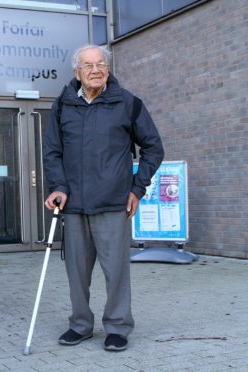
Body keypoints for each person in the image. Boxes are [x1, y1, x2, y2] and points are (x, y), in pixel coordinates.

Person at [42, 45, 164, 352]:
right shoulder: (62, 106)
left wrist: (137, 189)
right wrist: (57, 186)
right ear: (77, 72)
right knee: (77, 273)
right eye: (88, 65)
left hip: (113, 203)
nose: (95, 70)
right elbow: (52, 151)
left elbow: (153, 148)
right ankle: (80, 325)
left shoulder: (128, 103)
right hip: (74, 205)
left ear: (107, 69)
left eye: (101, 64)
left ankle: (118, 327)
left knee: (116, 272)